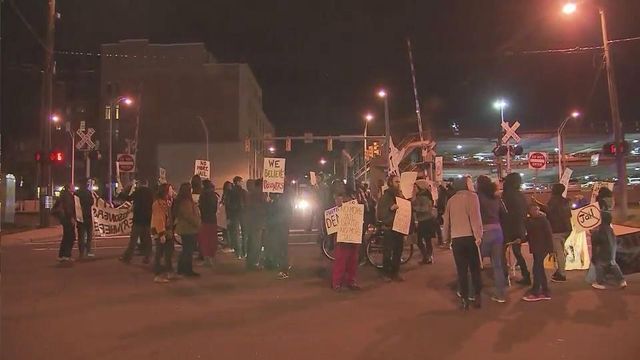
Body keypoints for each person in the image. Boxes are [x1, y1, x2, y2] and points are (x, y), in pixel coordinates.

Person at [443, 177, 483, 310]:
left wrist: (446, 239)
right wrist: (478, 236)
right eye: (470, 182)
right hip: (470, 238)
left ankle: (464, 299)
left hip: (456, 239)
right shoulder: (473, 197)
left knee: (462, 271)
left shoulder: (451, 200)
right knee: (475, 269)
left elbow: (446, 222)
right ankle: (477, 296)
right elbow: (475, 218)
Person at [476, 175, 508, 303]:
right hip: (498, 231)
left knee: (476, 262)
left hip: (484, 231)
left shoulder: (478, 198)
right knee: (497, 265)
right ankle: (500, 294)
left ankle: (473, 291)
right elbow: (504, 213)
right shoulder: (496, 198)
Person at [591, 187, 627, 290]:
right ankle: (621, 280)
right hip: (609, 232)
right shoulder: (611, 202)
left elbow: (596, 217)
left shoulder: (600, 204)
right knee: (611, 260)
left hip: (601, 231)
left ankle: (600, 281)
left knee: (598, 259)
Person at [535, 184, 572, 283]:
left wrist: (536, 203)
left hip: (557, 230)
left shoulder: (553, 200)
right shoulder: (565, 201)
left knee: (559, 252)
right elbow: (569, 215)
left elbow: (548, 211)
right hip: (567, 229)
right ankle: (560, 270)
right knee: (560, 251)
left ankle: (562, 274)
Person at [502, 173, 531, 286]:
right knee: (518, 253)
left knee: (501, 253)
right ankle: (526, 275)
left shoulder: (507, 195)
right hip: (519, 228)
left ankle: (504, 278)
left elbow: (504, 213)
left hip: (507, 228)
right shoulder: (521, 196)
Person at [522, 203, 554, 302]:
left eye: (537, 209)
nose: (536, 211)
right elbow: (529, 235)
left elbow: (549, 235)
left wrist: (551, 250)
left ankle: (537, 291)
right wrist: (522, 240)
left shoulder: (543, 220)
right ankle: (545, 290)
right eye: (533, 210)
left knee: (537, 269)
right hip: (537, 247)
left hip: (542, 247)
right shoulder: (529, 221)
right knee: (539, 269)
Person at [331, 189, 362, 291]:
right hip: (342, 238)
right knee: (341, 260)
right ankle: (337, 283)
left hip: (353, 236)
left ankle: (350, 281)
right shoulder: (335, 210)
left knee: (352, 261)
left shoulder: (354, 204)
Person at [377, 175, 406, 282]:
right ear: (390, 183)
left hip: (399, 228)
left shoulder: (401, 196)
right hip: (389, 228)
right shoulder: (386, 197)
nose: (398, 184)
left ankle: (395, 272)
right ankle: (386, 273)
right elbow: (380, 213)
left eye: (399, 182)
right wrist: (390, 208)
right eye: (396, 182)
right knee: (388, 252)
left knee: (398, 252)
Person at [120, 179, 154, 264]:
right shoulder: (151, 192)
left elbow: (127, 198)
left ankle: (127, 257)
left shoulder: (138, 191)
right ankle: (147, 257)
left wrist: (126, 188)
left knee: (133, 240)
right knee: (148, 239)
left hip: (138, 219)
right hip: (147, 219)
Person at [265, 187, 294, 279]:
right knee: (281, 248)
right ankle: (283, 267)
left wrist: (269, 204)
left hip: (280, 227)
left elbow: (275, 214)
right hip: (281, 227)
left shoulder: (281, 201)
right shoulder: (282, 200)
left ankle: (284, 269)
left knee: (281, 249)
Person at [174, 182, 201, 277]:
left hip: (187, 228)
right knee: (188, 250)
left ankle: (182, 269)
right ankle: (186, 269)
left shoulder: (184, 200)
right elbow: (188, 216)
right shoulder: (185, 202)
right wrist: (197, 224)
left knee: (187, 249)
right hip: (188, 229)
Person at [150, 183, 175, 283]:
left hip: (166, 230)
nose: (172, 191)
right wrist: (161, 233)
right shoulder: (158, 204)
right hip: (161, 231)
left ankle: (168, 271)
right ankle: (158, 274)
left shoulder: (166, 202)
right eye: (170, 190)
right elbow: (159, 219)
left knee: (168, 252)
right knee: (160, 253)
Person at [412, 179, 436, 265]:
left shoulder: (424, 197)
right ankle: (427, 257)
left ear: (420, 187)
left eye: (415, 187)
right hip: (425, 220)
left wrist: (415, 208)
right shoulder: (420, 195)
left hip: (425, 221)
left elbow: (426, 209)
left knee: (422, 240)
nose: (414, 188)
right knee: (426, 240)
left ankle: (427, 257)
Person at [245, 179, 267, 270]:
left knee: (252, 242)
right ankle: (253, 263)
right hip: (257, 222)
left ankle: (250, 262)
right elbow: (264, 206)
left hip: (252, 221)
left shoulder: (251, 194)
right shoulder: (259, 193)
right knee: (256, 243)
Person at [53, 183, 76, 263]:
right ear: (69, 188)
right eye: (72, 186)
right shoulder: (68, 197)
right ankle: (66, 255)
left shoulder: (64, 195)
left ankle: (62, 255)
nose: (74, 187)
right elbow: (68, 208)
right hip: (67, 219)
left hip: (64, 219)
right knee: (70, 237)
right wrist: (71, 218)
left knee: (66, 236)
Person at [198, 179, 218, 267]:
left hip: (204, 220)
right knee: (212, 239)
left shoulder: (203, 196)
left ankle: (207, 259)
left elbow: (201, 208)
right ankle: (211, 257)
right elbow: (215, 208)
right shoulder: (214, 196)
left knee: (205, 240)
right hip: (213, 219)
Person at [227, 176, 248, 259]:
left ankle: (238, 252)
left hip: (234, 214)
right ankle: (244, 251)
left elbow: (228, 205)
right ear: (238, 182)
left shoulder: (231, 192)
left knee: (236, 234)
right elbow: (247, 204)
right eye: (241, 181)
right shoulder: (243, 192)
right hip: (243, 214)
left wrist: (229, 216)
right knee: (244, 233)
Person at [75, 178, 95, 259]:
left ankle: (81, 252)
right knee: (88, 236)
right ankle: (88, 251)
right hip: (88, 217)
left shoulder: (77, 193)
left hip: (80, 217)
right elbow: (91, 202)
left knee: (81, 236)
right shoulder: (88, 193)